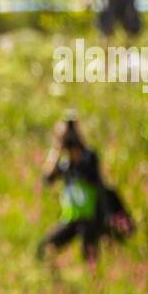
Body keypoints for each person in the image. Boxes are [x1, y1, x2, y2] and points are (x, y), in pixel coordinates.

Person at [37, 114, 105, 266]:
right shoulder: (65, 162)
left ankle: (95, 284)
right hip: (71, 218)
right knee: (44, 247)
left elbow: (92, 177)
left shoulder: (89, 156)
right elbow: (48, 178)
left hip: (90, 217)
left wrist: (77, 150)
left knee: (90, 259)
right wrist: (56, 149)